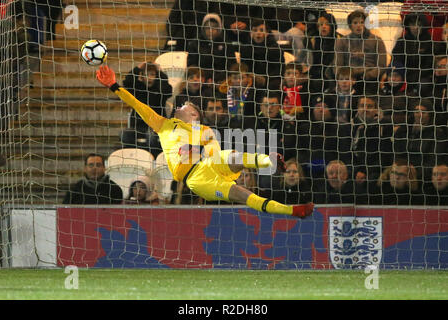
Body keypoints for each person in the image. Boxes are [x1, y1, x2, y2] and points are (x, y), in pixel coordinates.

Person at [96, 65, 314, 218]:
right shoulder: (164, 125)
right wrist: (114, 86)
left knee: (232, 155)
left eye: (185, 106)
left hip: (210, 164)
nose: (179, 106)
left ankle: (270, 161)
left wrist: (201, 147)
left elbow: (215, 155)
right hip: (196, 178)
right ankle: (291, 210)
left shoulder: (205, 131)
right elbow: (137, 105)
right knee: (242, 195)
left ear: (194, 116)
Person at [120, 62, 172, 156]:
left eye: (152, 74)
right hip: (139, 126)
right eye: (146, 74)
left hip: (157, 126)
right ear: (142, 77)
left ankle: (153, 159)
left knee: (151, 136)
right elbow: (127, 82)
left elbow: (167, 88)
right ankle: (132, 158)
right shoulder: (138, 89)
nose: (149, 77)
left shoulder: (160, 91)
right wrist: (137, 68)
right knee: (125, 134)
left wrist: (159, 71)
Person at [334, 10, 387, 94]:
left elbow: (382, 65)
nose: (359, 26)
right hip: (349, 78)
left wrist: (368, 75)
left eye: (362, 22)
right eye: (355, 23)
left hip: (370, 78)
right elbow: (338, 65)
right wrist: (346, 77)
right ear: (350, 25)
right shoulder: (342, 41)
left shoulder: (377, 41)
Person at [391, 13, 434, 96]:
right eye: (412, 24)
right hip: (403, 74)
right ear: (408, 26)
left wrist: (416, 76)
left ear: (423, 26)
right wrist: (402, 74)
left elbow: (429, 64)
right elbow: (396, 60)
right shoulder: (402, 41)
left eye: (419, 24)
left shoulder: (429, 41)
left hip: (422, 76)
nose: (415, 27)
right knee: (392, 80)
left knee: (423, 84)